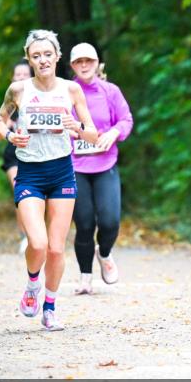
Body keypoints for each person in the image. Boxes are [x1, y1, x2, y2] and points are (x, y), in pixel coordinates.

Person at [0, 30, 100, 331]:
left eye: (47, 54)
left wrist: (76, 126)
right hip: (30, 172)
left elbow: (92, 133)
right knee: (37, 243)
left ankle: (50, 308)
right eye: (36, 55)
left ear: (57, 57)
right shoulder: (18, 90)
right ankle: (31, 284)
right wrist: (13, 136)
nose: (42, 60)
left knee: (56, 248)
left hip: (62, 172)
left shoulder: (71, 91)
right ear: (29, 58)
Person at [66, 43, 134, 294]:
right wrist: (72, 129)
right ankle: (85, 278)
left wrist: (115, 132)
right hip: (75, 167)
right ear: (72, 66)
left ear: (97, 64)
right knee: (84, 224)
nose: (84, 65)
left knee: (110, 221)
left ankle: (104, 253)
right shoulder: (66, 92)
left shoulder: (110, 91)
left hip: (106, 164)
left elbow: (126, 119)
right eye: (78, 62)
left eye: (89, 61)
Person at [0, 59, 33, 254]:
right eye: (17, 75)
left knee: (38, 197)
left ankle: (36, 233)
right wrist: (7, 129)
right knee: (21, 192)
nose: (20, 78)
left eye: (24, 74)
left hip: (36, 154)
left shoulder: (41, 97)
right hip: (14, 156)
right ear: (12, 78)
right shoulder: (10, 101)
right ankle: (25, 236)